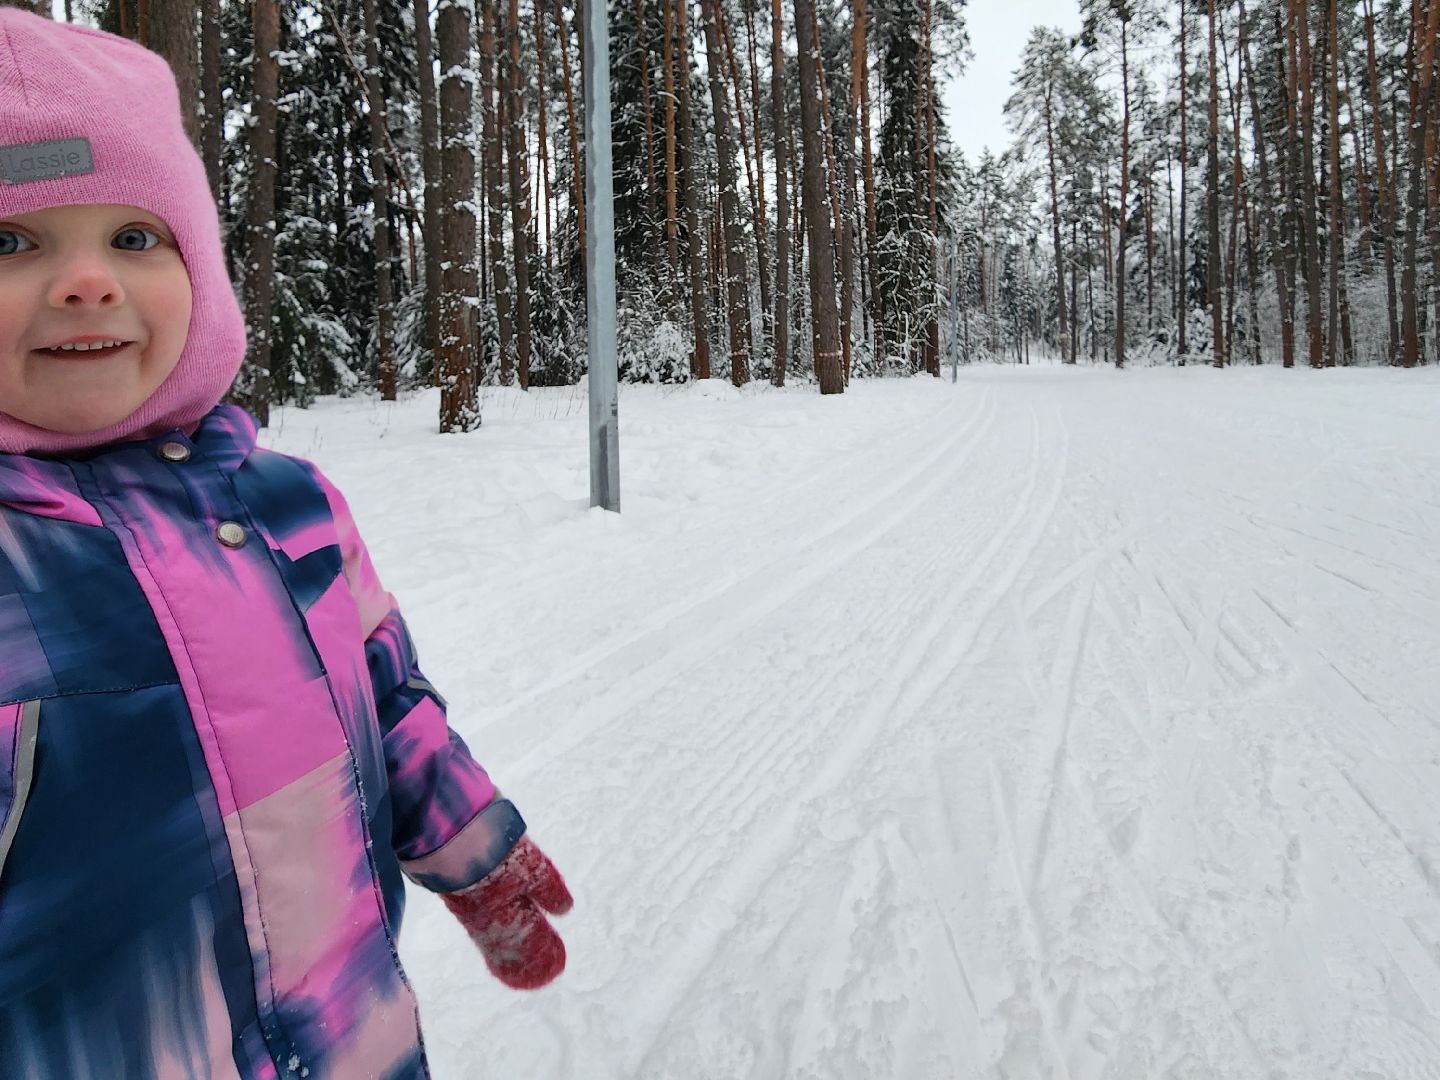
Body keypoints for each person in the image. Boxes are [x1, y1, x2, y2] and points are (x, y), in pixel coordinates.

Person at [0, 10, 571, 1078]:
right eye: (10, 241)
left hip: (356, 1044)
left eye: (134, 237)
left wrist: (473, 844)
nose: (88, 281)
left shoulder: (290, 503)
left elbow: (389, 695)